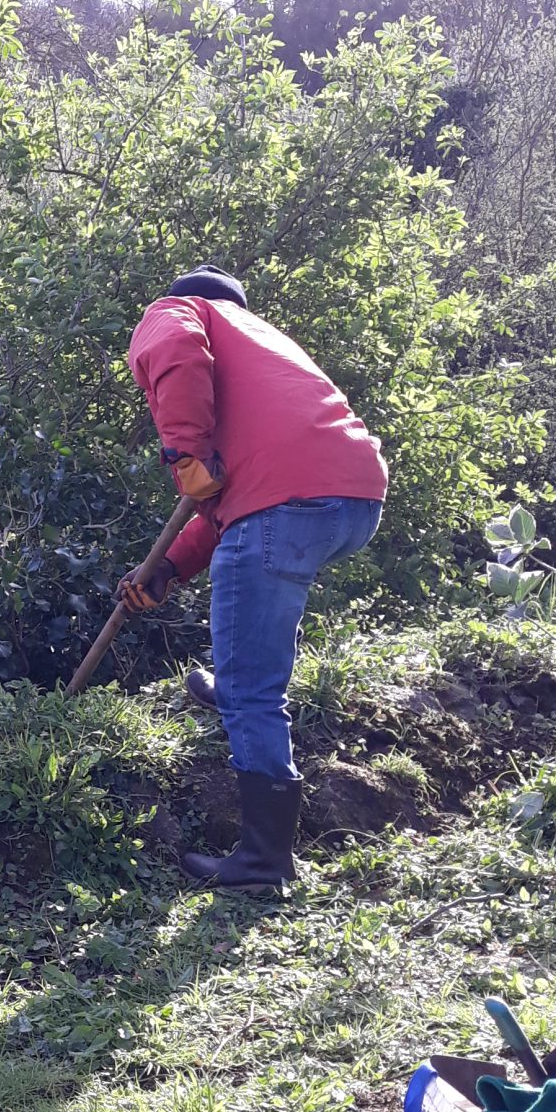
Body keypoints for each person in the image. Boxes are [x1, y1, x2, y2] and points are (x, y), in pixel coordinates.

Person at [117, 271, 387, 890]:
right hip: (352, 500)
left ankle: (262, 863)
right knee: (261, 585)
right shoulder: (267, 351)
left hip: (285, 504)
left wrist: (185, 451)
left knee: (251, 691)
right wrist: (168, 567)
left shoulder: (180, 312)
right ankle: (239, 683)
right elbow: (233, 510)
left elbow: (174, 349)